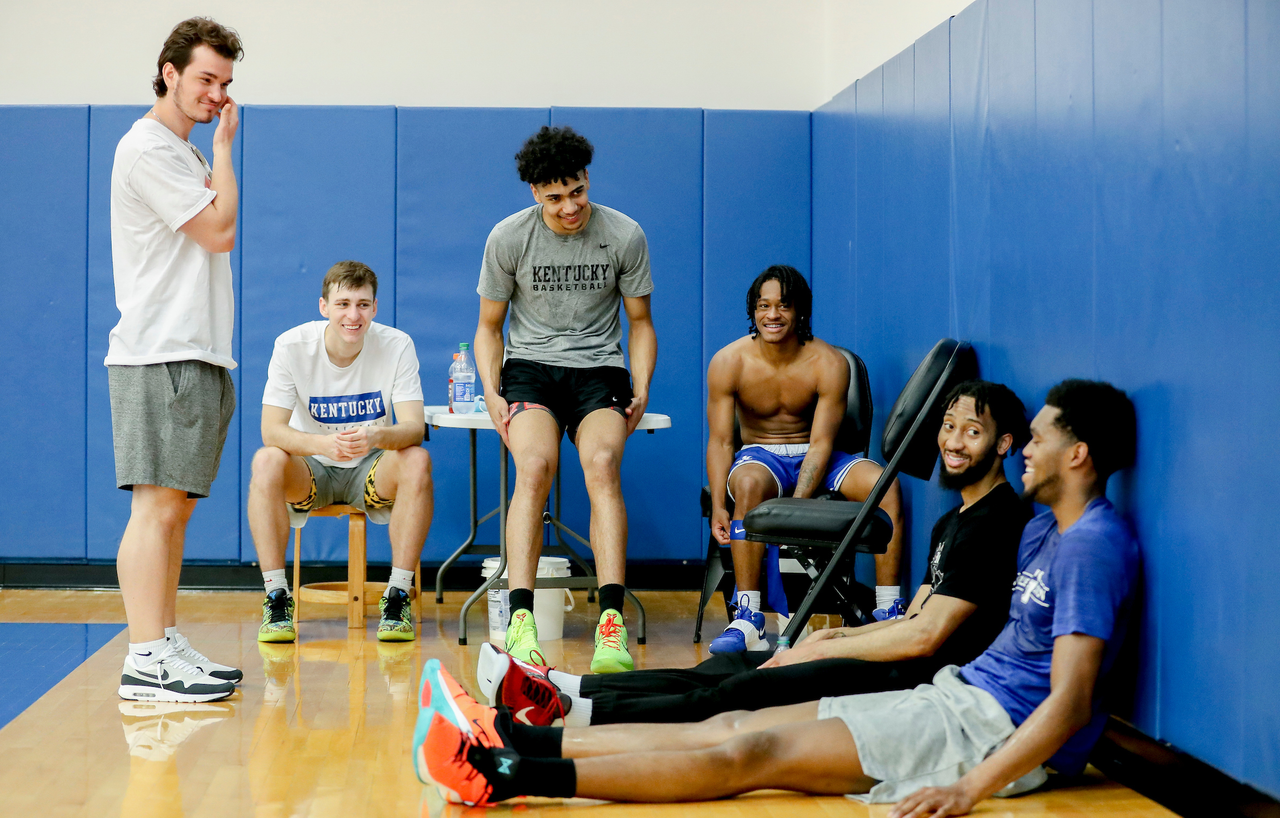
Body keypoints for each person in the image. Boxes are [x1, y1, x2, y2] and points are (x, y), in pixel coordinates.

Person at [417, 380, 1140, 818]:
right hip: (951, 696)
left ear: (1078, 454)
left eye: (1037, 439)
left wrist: (972, 787)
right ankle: (512, 738)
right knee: (731, 720)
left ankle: (506, 772)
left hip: (979, 729)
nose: (1025, 451)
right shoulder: (1043, 528)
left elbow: (1072, 701)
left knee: (747, 748)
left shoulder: (1092, 546)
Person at [475, 380, 1032, 727]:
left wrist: (825, 650)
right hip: (889, 657)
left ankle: (569, 713)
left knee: (740, 689)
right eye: (949, 427)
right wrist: (830, 638)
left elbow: (925, 639)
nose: (953, 442)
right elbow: (914, 618)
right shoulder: (952, 521)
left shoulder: (997, 523)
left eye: (972, 432)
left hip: (909, 684)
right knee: (727, 665)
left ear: (1004, 444)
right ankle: (564, 686)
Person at [473, 126, 657, 673]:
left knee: (601, 464)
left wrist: (642, 382)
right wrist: (491, 389)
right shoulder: (508, 238)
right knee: (533, 467)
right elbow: (488, 327)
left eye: (577, 191)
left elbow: (641, 322)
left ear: (587, 179)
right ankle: (521, 621)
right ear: (535, 192)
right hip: (530, 369)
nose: (570, 206)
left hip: (599, 370)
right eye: (555, 197)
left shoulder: (624, 234)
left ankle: (611, 625)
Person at [109, 18, 245, 703]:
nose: (217, 94)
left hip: (196, 350)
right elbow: (219, 231)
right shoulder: (148, 149)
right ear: (169, 72)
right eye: (205, 79)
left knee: (175, 513)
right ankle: (144, 658)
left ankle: (161, 639)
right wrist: (225, 149)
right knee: (155, 509)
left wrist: (210, 153)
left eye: (225, 83)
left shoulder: (181, 152)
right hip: (159, 352)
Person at [705, 266, 905, 654]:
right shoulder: (729, 361)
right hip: (761, 455)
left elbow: (821, 442)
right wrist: (717, 506)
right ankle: (748, 617)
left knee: (886, 485)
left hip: (819, 453)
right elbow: (721, 441)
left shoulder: (828, 361)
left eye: (783, 305)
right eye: (763, 305)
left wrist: (796, 506)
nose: (772, 315)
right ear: (753, 310)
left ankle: (889, 612)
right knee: (747, 484)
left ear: (800, 311)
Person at [248, 261, 431, 643]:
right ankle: (276, 597)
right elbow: (271, 430)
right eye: (343, 304)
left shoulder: (397, 344)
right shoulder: (292, 346)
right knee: (266, 460)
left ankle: (397, 595)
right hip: (312, 469)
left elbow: (415, 427)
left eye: (363, 305)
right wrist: (323, 445)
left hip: (371, 468)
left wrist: (377, 435)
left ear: (375, 308)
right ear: (324, 307)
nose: (353, 315)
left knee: (417, 459)